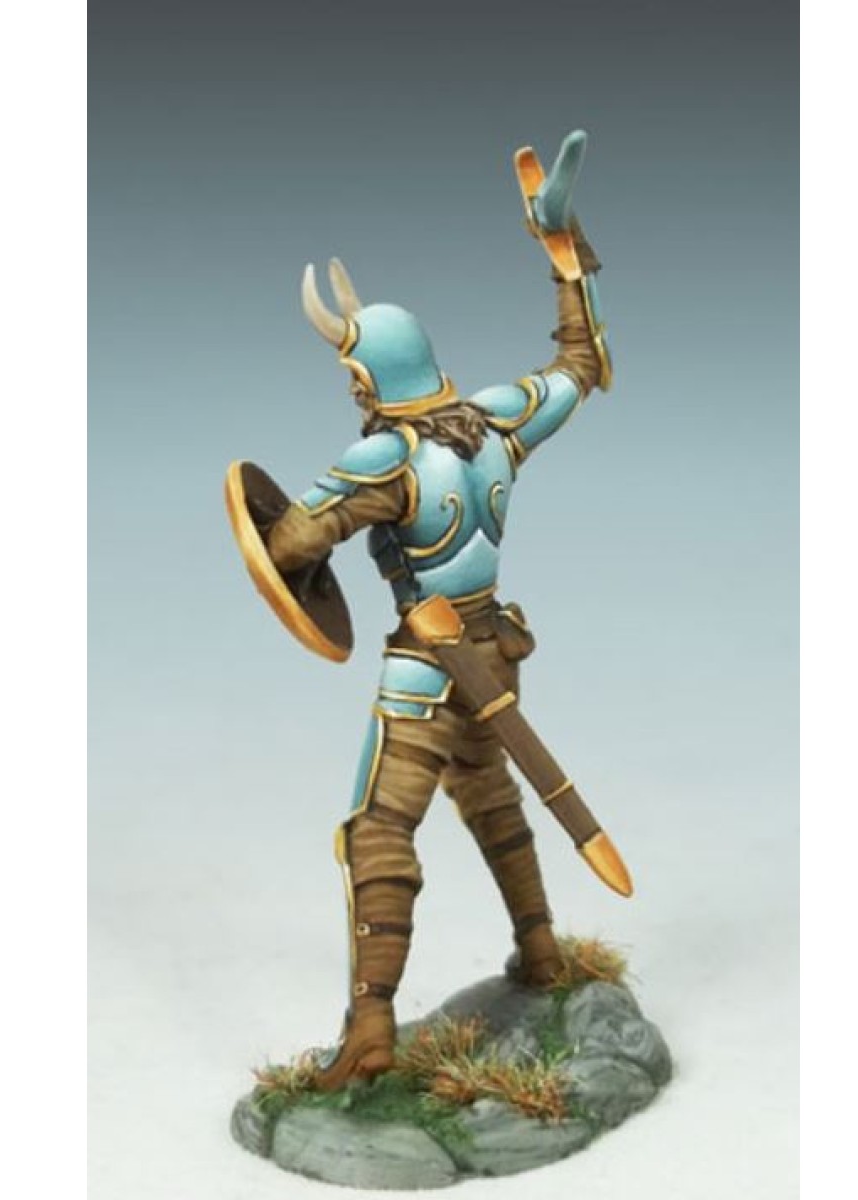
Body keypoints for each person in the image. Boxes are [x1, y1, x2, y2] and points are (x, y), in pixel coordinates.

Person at [259, 131, 612, 1090]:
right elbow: (582, 363)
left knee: (377, 832)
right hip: (496, 653)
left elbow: (292, 544)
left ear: (369, 379)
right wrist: (563, 249)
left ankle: (371, 1027)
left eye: (354, 379)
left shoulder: (385, 459)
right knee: (492, 798)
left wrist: (283, 530)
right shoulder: (498, 420)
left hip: (427, 668)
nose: (353, 392)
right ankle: (540, 950)